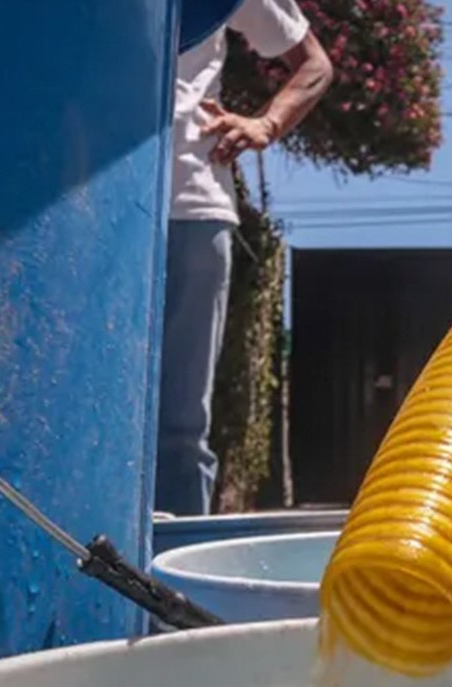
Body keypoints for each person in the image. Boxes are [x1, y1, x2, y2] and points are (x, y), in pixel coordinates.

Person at [156, 0, 333, 516]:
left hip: (189, 208)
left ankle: (166, 586)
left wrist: (268, 124)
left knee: (180, 428)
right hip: (84, 202)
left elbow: (313, 63)